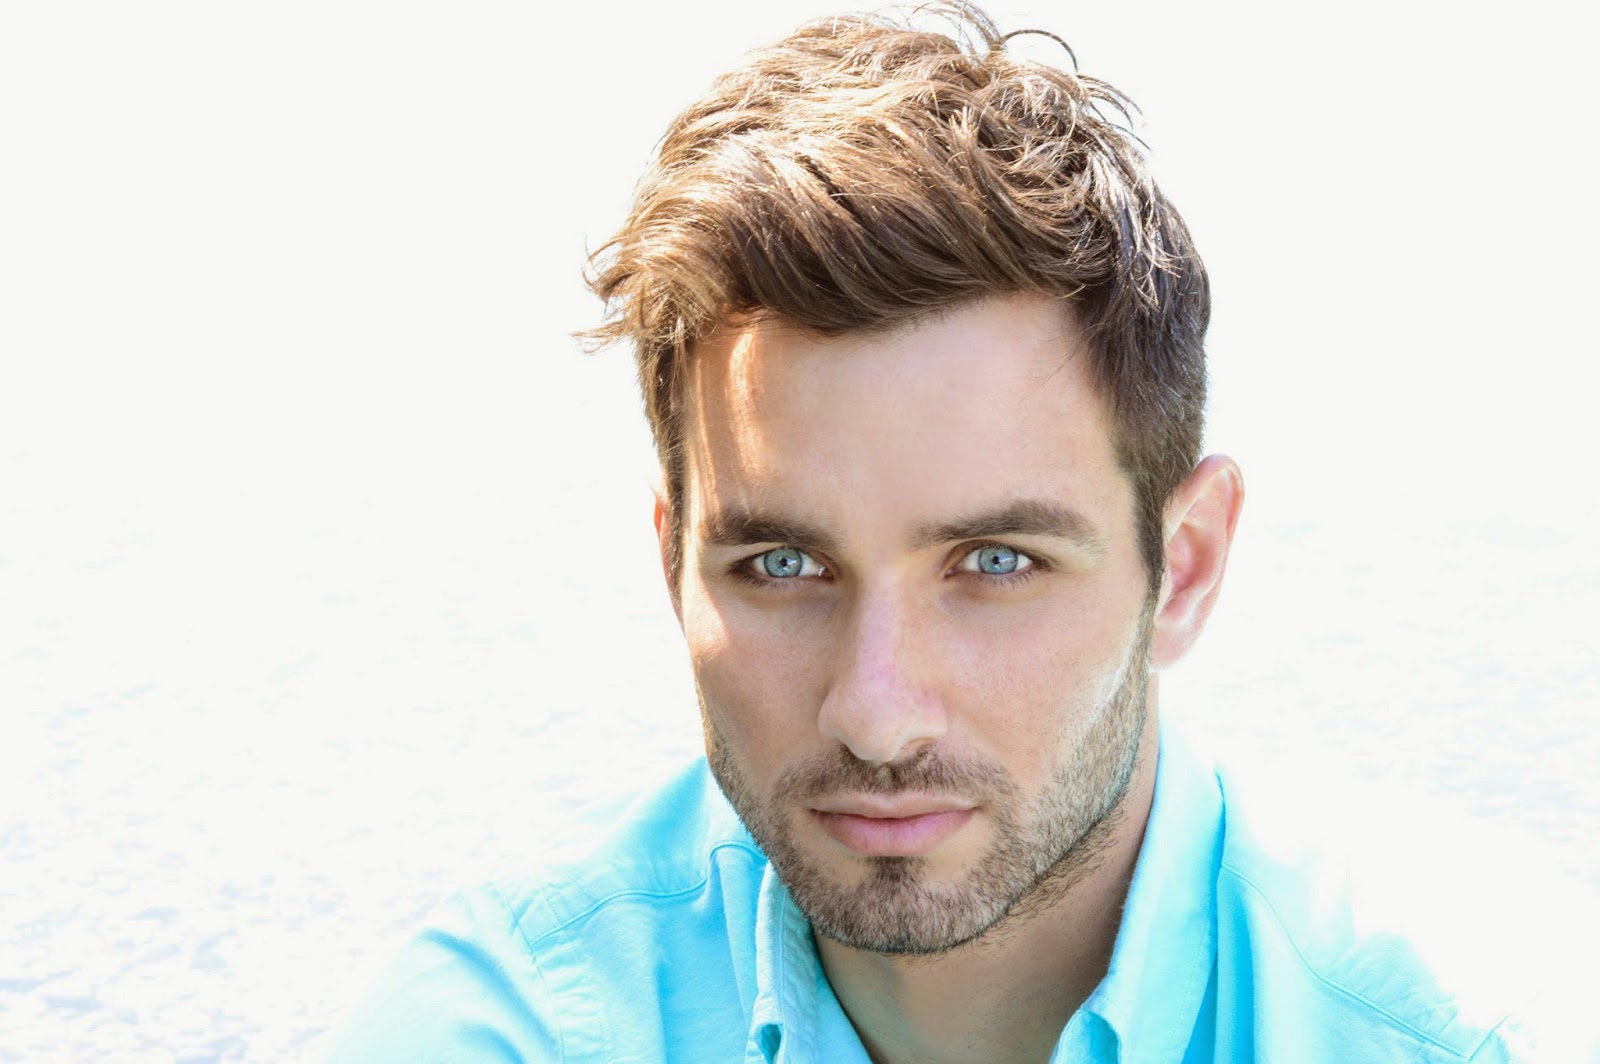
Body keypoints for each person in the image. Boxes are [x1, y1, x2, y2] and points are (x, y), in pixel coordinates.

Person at [328, 4, 1590, 1061]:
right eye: (782, 564)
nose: (875, 714)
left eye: (995, 563)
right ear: (674, 565)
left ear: (1185, 566)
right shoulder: (506, 1028)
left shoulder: (1483, 1032)